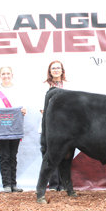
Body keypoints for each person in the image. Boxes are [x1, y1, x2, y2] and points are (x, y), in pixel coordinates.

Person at [0, 66, 27, 193]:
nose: (6, 76)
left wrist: (24, 110)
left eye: (8, 73)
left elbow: (23, 104)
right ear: (0, 76)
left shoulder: (18, 89)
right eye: (3, 74)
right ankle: (6, 184)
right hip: (1, 126)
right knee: (4, 155)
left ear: (12, 75)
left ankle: (13, 184)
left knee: (13, 156)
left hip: (14, 125)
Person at [39, 60, 71, 191]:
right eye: (53, 68)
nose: (56, 70)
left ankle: (63, 184)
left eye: (58, 68)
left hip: (67, 126)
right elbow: (42, 108)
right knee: (50, 156)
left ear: (62, 70)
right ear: (49, 71)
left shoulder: (70, 85)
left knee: (66, 155)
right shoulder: (43, 86)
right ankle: (53, 185)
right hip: (49, 126)